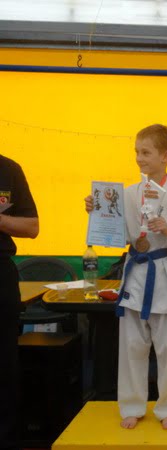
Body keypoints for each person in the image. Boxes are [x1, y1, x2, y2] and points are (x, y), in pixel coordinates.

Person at [85, 124, 167, 430]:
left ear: (165, 156)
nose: (138, 158)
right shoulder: (128, 193)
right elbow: (119, 234)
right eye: (136, 151)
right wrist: (98, 211)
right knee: (132, 346)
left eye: (145, 152)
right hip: (135, 272)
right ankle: (132, 405)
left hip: (163, 272)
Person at [0, 155, 39, 450]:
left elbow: (32, 227)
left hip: (0, 272)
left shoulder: (9, 169)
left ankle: (6, 437)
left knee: (4, 361)